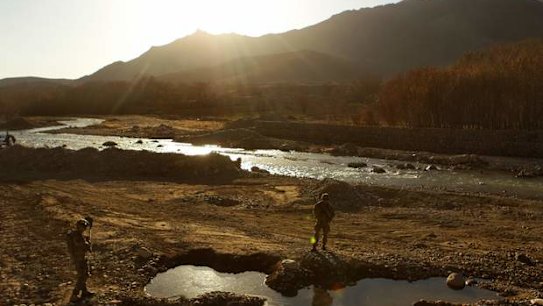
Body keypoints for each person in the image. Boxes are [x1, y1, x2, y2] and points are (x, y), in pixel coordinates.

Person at [66, 218, 94, 302]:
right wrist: (86, 243)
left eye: (85, 227)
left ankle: (84, 292)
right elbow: (79, 245)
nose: (84, 229)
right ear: (78, 227)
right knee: (82, 276)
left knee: (85, 274)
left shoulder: (81, 235)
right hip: (78, 259)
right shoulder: (75, 235)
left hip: (82, 257)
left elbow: (86, 247)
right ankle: (75, 293)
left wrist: (88, 244)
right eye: (83, 227)